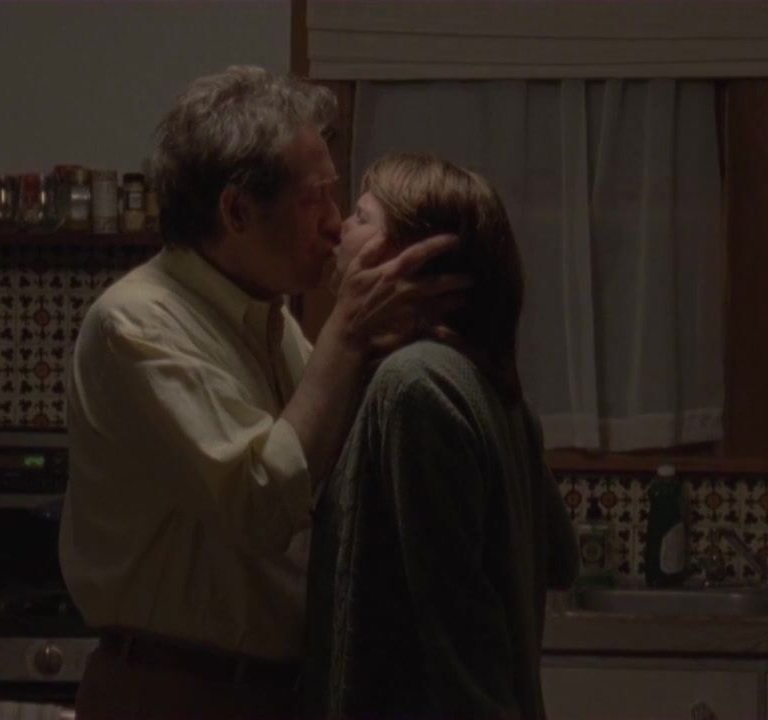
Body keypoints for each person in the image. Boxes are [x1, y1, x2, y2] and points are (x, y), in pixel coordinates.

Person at [59, 68, 465, 720]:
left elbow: (329, 475)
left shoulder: (266, 318)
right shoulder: (136, 322)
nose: (334, 224)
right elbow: (262, 505)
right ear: (238, 212)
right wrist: (347, 330)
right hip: (172, 692)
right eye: (314, 200)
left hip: (265, 691)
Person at [305, 154, 580, 719]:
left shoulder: (415, 384)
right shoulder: (491, 388)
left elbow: (455, 626)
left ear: (408, 257)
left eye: (361, 216)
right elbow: (560, 558)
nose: (339, 228)